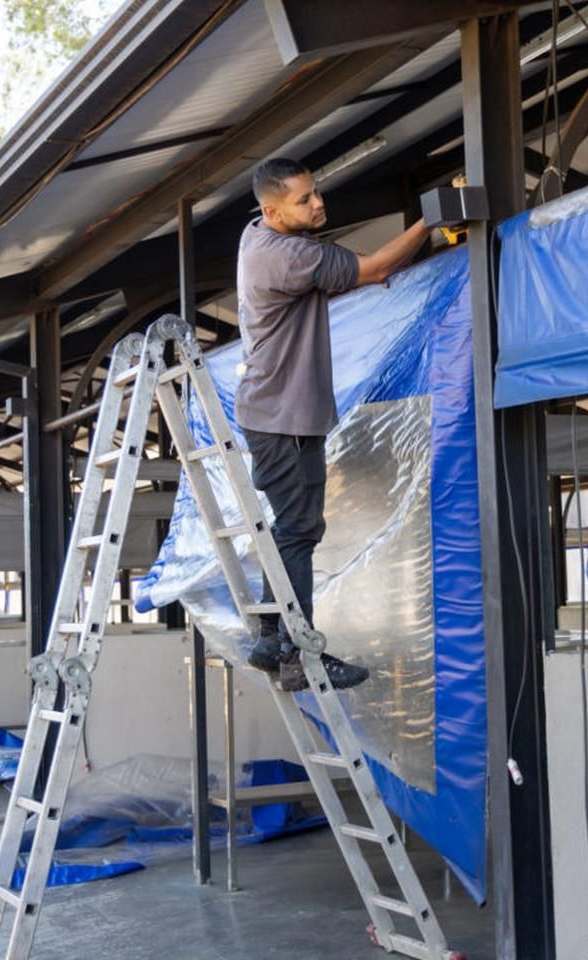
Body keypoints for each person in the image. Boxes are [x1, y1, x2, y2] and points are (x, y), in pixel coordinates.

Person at [236, 156, 431, 690]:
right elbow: (377, 268)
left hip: (281, 412)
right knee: (299, 530)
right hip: (282, 417)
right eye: (304, 200)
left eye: (316, 191)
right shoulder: (287, 256)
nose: (318, 203)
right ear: (273, 212)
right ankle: (297, 654)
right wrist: (432, 221)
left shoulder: (258, 237)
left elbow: (355, 269)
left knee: (294, 528)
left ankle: (272, 640)